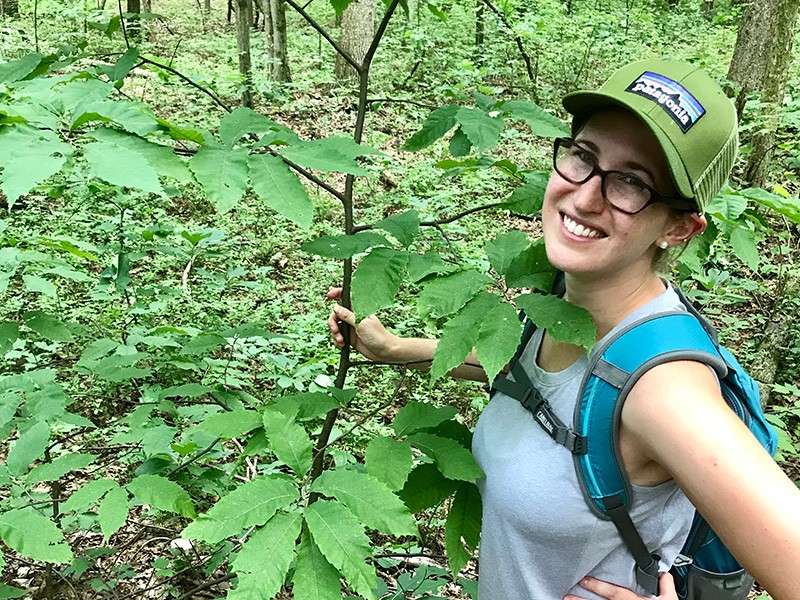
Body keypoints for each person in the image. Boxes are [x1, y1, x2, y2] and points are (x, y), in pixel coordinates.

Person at [327, 59, 800, 600]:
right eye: (584, 157)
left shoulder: (665, 392)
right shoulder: (557, 301)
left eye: (631, 182)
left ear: (678, 226)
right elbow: (538, 375)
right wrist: (393, 349)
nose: (585, 196)